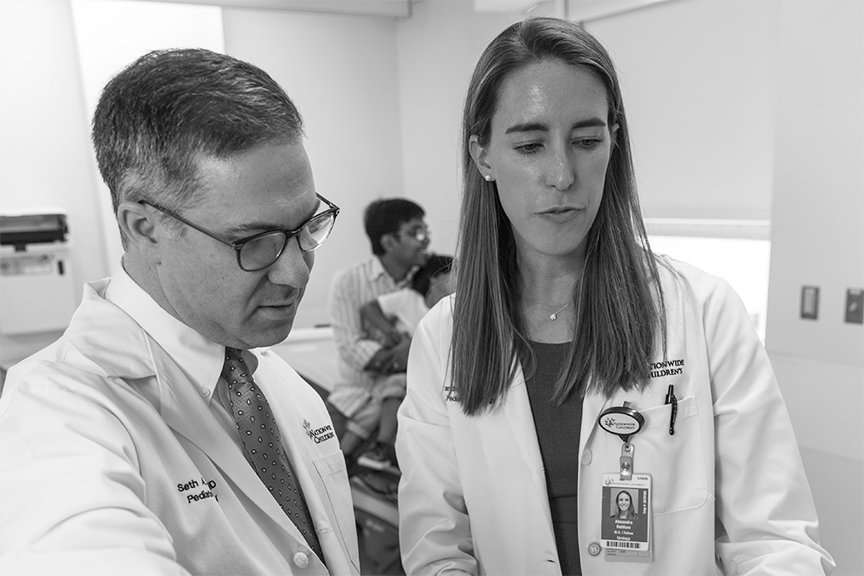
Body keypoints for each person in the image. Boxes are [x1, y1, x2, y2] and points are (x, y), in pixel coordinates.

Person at [396, 17, 834, 576]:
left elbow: (775, 541)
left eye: (586, 141)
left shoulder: (703, 314)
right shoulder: (444, 339)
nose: (562, 175)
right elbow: (437, 548)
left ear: (613, 142)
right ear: (483, 156)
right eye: (529, 145)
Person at [0, 49, 359, 575]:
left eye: (307, 227)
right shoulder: (55, 418)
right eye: (254, 241)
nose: (296, 273)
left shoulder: (268, 378)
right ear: (144, 227)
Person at [327, 198, 429, 464]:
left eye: (425, 231)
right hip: (354, 401)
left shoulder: (431, 280)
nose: (426, 239)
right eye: (416, 232)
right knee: (332, 474)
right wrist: (406, 354)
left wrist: (411, 351)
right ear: (389, 242)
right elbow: (351, 346)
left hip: (413, 407)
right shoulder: (349, 281)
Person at [355, 254, 453, 470]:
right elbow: (369, 308)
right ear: (435, 278)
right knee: (394, 387)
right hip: (408, 371)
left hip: (434, 372)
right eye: (453, 273)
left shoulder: (451, 309)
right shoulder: (409, 300)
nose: (460, 279)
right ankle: (380, 448)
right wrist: (395, 336)